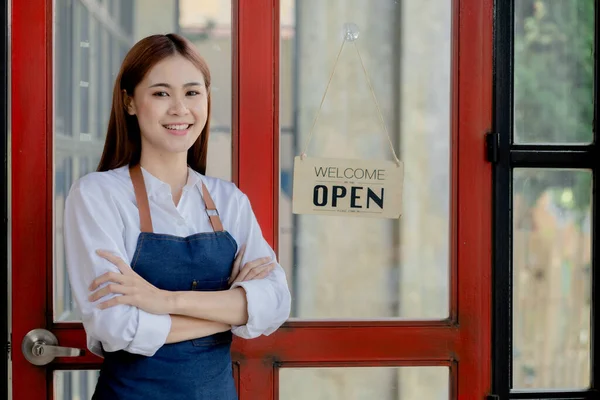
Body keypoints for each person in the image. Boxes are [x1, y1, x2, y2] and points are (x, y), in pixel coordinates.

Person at [64, 33, 291, 399]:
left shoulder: (229, 200)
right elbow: (115, 325)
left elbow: (276, 303)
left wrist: (164, 300)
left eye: (191, 92)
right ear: (130, 102)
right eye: (160, 93)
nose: (179, 109)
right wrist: (231, 309)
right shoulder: (97, 196)